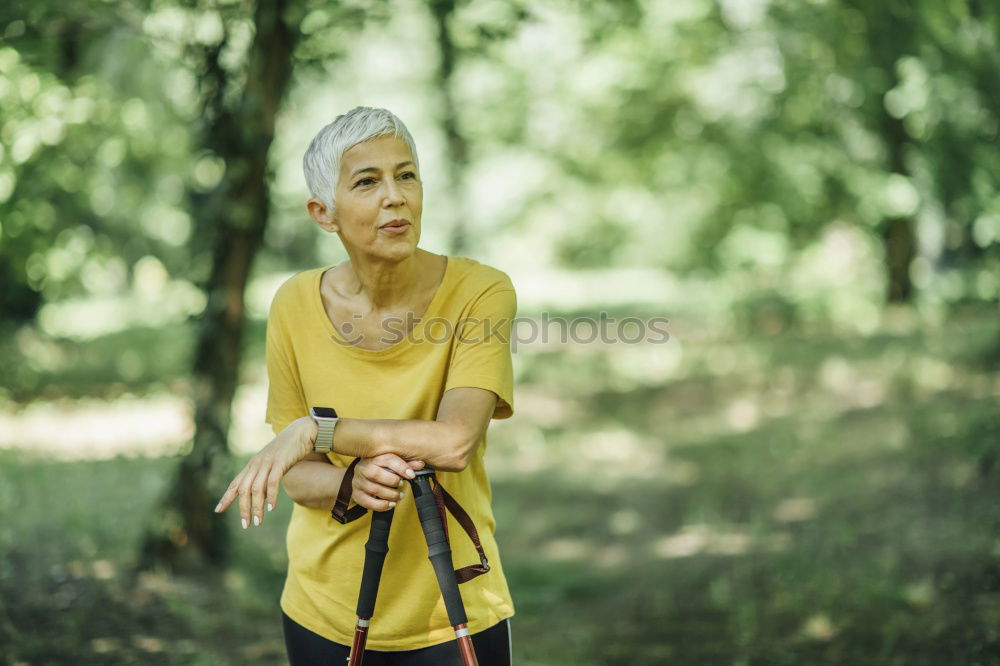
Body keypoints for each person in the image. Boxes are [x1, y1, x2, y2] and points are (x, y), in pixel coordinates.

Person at [213, 106, 516, 665]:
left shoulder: (481, 291)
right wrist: (350, 481)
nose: (394, 196)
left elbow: (453, 443)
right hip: (322, 609)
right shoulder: (293, 304)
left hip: (452, 612)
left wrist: (319, 432)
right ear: (323, 213)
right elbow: (299, 477)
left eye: (406, 175)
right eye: (367, 181)